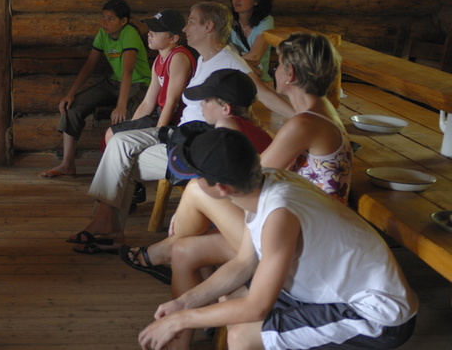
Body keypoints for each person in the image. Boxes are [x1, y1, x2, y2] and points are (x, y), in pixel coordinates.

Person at [138, 128, 418, 350]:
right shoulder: (266, 180)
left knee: (242, 337)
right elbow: (244, 263)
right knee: (232, 298)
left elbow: (256, 306)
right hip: (330, 292)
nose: (194, 184)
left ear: (222, 188)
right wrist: (183, 304)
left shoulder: (278, 214)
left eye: (198, 178)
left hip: (375, 314)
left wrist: (182, 320)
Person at [121, 32, 352, 282]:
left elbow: (252, 177)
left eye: (277, 66)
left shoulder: (305, 124)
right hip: (296, 217)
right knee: (184, 250)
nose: (273, 72)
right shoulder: (320, 113)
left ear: (291, 74)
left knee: (199, 190)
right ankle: (181, 270)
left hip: (303, 232)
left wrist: (199, 206)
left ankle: (167, 249)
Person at [67, 2, 293, 253]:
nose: (186, 28)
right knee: (118, 145)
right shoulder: (206, 59)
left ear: (209, 27)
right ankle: (108, 226)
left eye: (192, 22)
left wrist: (303, 114)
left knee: (120, 153)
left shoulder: (229, 60)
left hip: (194, 141)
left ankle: (109, 228)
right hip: (179, 134)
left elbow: (263, 94)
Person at [119, 69, 273, 282]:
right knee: (196, 218)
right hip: (259, 211)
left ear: (225, 108)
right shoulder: (254, 128)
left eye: (207, 100)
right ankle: (180, 265)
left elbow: (225, 188)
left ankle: (164, 254)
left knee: (196, 196)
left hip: (259, 221)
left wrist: (183, 215)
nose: (201, 105)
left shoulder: (226, 128)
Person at [40, 0, 151, 178]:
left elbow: (128, 71)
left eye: (110, 19)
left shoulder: (129, 33)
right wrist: (70, 94)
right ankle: (67, 164)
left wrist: (121, 105)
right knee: (73, 108)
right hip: (114, 82)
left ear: (123, 21)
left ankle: (124, 170)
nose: (104, 22)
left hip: (138, 84)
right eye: (103, 17)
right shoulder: (103, 33)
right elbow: (90, 65)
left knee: (128, 117)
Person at [103, 9, 194, 146]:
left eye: (156, 32)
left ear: (173, 38)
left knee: (114, 136)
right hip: (161, 114)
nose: (149, 34)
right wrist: (133, 125)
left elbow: (172, 102)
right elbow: (148, 102)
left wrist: (158, 134)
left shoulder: (178, 57)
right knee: (114, 133)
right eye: (151, 30)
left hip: (176, 121)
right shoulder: (159, 59)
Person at [229, 0, 274, 81]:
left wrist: (230, 60)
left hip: (260, 82)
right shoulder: (227, 20)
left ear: (256, 0)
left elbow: (255, 56)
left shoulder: (266, 21)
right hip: (234, 80)